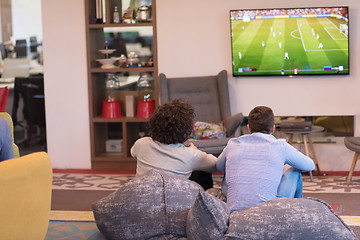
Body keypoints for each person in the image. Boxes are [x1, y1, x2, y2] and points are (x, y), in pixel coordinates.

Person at [216, 106, 315, 212]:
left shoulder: (233, 144)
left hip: (235, 211)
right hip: (268, 212)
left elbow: (219, 167)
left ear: (249, 128)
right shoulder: (280, 146)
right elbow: (310, 165)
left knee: (229, 167)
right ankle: (299, 213)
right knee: (294, 169)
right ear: (273, 128)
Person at [131, 99, 217, 189]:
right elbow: (215, 165)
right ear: (187, 131)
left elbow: (133, 154)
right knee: (202, 170)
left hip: (141, 198)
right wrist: (196, 151)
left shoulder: (141, 143)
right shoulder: (191, 155)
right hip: (173, 201)